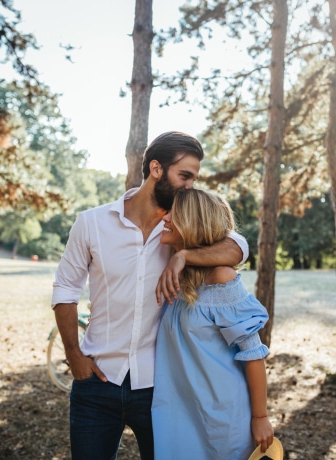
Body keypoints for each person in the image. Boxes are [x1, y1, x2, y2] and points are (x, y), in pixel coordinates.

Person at [51, 132, 248, 460]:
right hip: (96, 382)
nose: (190, 186)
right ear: (156, 168)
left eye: (194, 179)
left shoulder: (179, 231)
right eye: (184, 176)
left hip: (163, 387)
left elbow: (239, 246)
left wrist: (185, 256)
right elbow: (65, 288)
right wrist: (74, 355)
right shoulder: (92, 223)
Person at [152, 188, 274, 459]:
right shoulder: (176, 274)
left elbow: (253, 353)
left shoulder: (221, 276)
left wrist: (260, 416)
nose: (166, 217)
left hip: (222, 418)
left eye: (176, 213)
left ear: (194, 222)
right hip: (177, 413)